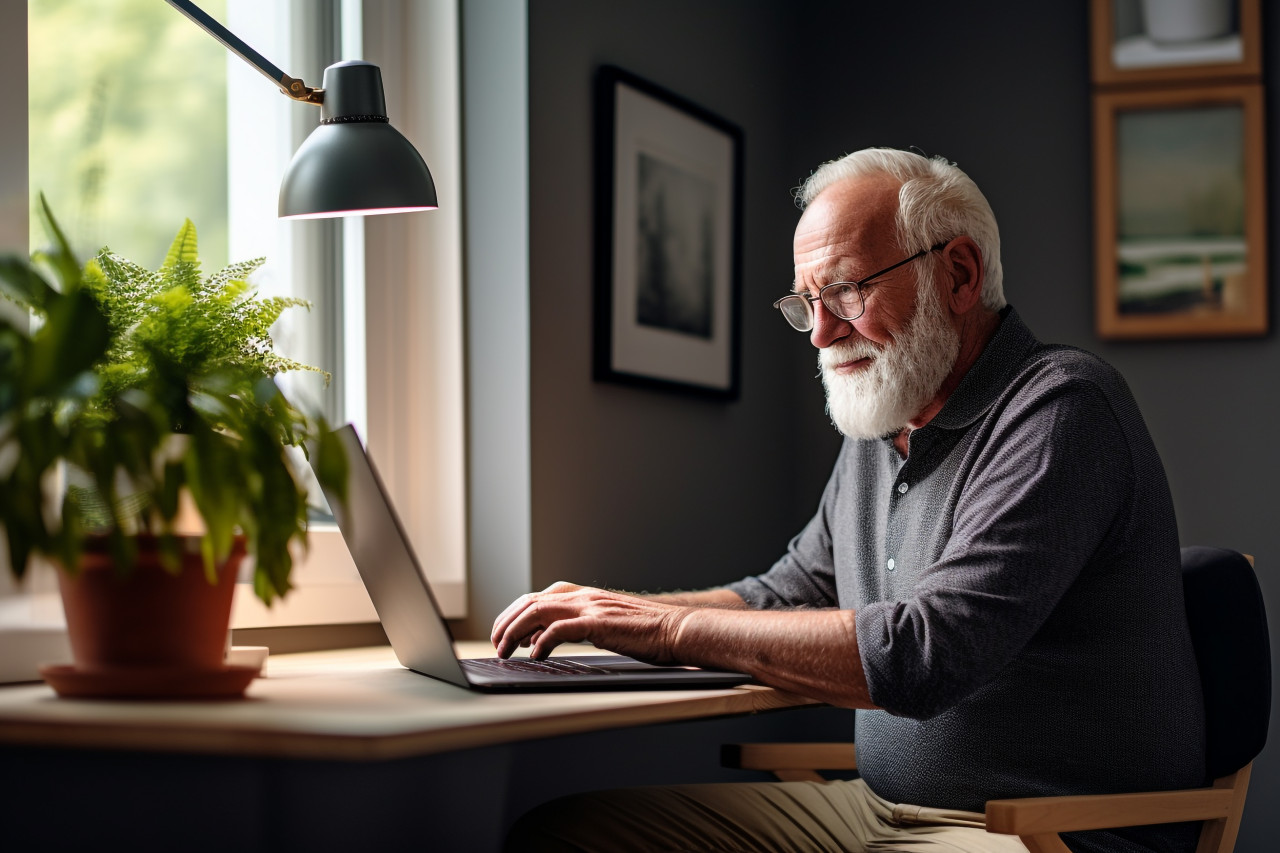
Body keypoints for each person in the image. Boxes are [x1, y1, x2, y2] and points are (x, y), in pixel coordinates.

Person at [492, 148, 1205, 853]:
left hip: (1041, 831)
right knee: (571, 834)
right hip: (878, 811)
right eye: (808, 304)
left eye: (848, 292)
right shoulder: (884, 419)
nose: (825, 333)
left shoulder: (1060, 407)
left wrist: (667, 630)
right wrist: (607, 617)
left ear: (958, 274)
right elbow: (787, 593)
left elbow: (926, 655)